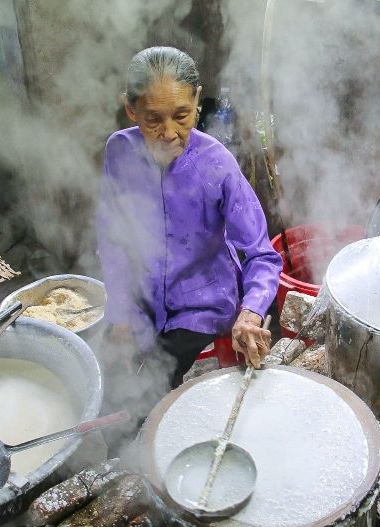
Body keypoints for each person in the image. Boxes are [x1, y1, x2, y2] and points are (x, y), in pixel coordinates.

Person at [96, 46, 282, 403]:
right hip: (143, 300)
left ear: (198, 100)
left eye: (182, 116)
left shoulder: (216, 163)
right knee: (111, 391)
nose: (169, 133)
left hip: (202, 305)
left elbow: (261, 254)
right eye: (154, 119)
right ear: (131, 109)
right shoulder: (119, 152)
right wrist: (121, 312)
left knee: (159, 398)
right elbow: (112, 236)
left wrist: (251, 312)